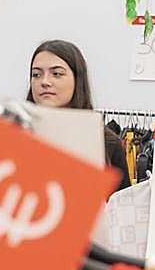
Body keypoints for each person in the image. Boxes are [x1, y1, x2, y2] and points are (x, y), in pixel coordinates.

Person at [26, 40, 131, 191]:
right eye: (36, 74)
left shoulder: (106, 143)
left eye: (57, 74)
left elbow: (122, 206)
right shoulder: (17, 133)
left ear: (77, 79)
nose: (45, 81)